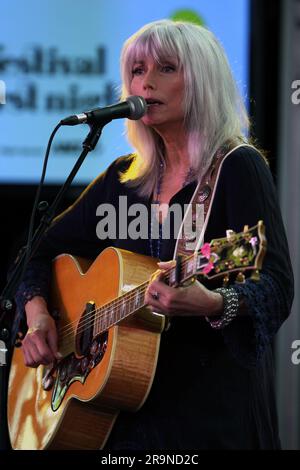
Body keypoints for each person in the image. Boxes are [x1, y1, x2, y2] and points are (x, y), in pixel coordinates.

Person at [13, 20, 293, 450]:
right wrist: (38, 316)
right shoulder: (122, 180)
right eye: (137, 71)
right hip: (122, 422)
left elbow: (275, 284)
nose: (146, 83)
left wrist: (216, 302)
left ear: (202, 81)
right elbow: (38, 252)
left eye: (166, 69)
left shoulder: (239, 167)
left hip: (208, 415)